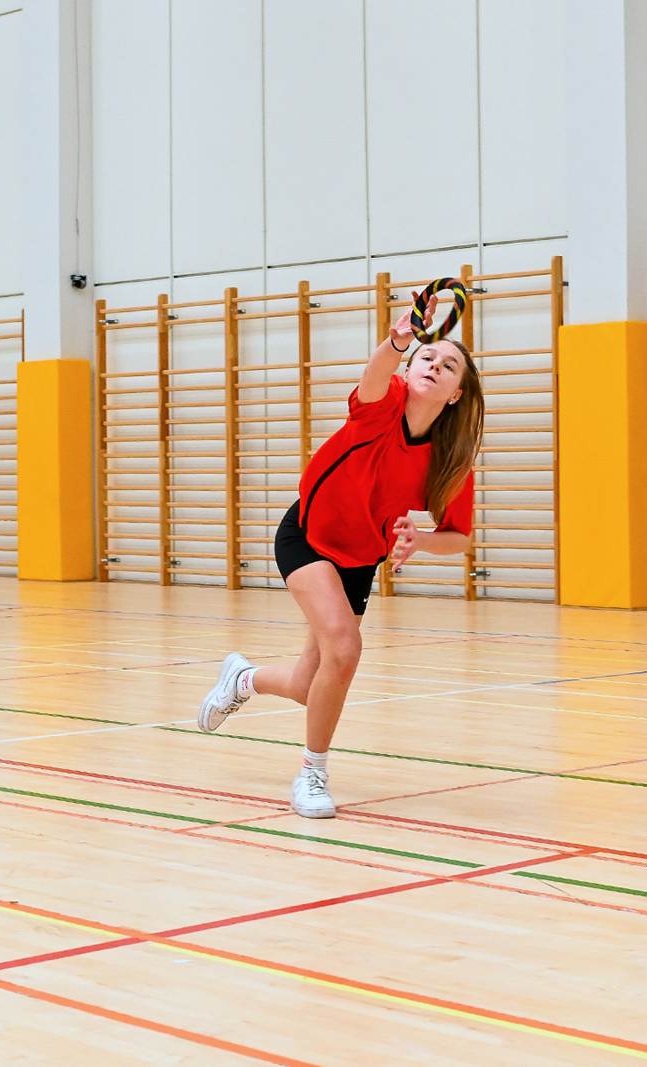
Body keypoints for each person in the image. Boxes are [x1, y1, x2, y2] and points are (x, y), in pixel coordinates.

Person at [194, 292, 484, 818]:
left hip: (359, 558)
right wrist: (397, 341)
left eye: (448, 366)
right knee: (346, 650)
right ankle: (313, 774)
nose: (434, 366)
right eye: (427, 356)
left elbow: (459, 536)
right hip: (307, 535)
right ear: (409, 367)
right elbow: (375, 375)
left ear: (456, 394)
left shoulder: (450, 458)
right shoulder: (383, 405)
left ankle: (243, 679)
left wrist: (421, 540)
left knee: (310, 685)